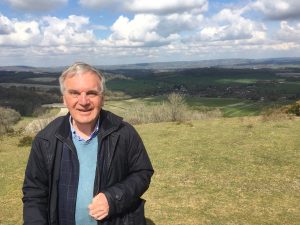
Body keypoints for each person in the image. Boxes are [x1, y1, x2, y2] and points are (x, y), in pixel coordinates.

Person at [22, 62, 154, 225]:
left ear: (103, 98)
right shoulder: (45, 140)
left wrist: (113, 198)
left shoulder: (124, 133)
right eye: (75, 93)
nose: (83, 101)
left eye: (91, 93)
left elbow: (142, 173)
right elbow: (34, 193)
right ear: (64, 99)